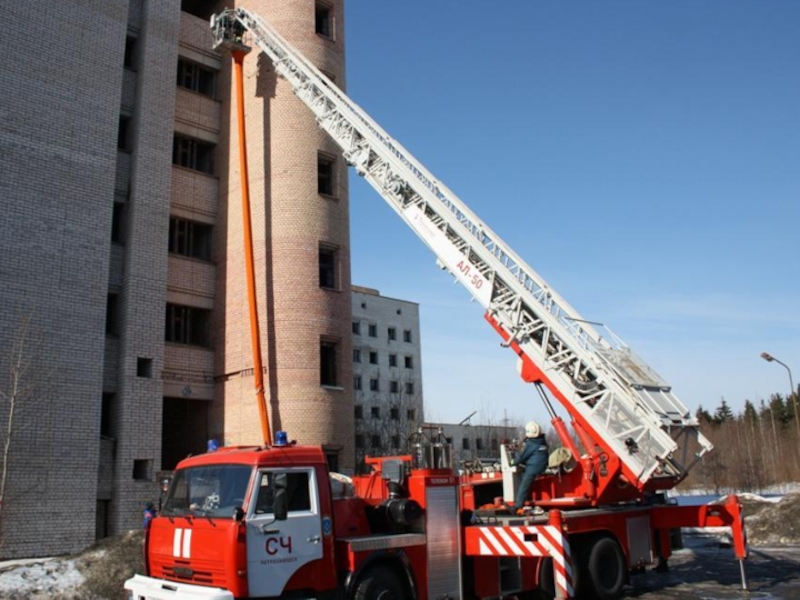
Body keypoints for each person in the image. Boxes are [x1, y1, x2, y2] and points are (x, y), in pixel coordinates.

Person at [512, 421, 548, 513]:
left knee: (524, 485)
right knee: (523, 477)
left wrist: (512, 462)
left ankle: (517, 506)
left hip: (533, 468)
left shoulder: (531, 443)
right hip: (541, 466)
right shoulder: (542, 441)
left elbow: (522, 457)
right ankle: (526, 499)